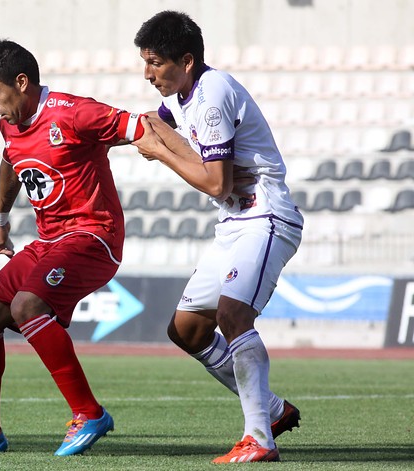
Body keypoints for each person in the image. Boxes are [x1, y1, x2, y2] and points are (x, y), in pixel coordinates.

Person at [0, 39, 145, 456]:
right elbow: (11, 161)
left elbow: (142, 127)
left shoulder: (74, 112)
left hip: (94, 236)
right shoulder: (10, 124)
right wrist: (0, 221)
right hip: (49, 239)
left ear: (21, 82)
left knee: (27, 305)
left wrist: (208, 172)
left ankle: (89, 413)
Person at [132, 11, 304, 464]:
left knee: (232, 315)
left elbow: (215, 184)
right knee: (187, 329)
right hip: (234, 224)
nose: (148, 73)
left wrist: (159, 151)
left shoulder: (211, 96)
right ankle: (270, 409)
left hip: (265, 216)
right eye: (145, 62)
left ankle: (259, 439)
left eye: (155, 63)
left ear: (186, 60)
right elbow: (158, 125)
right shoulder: (185, 96)